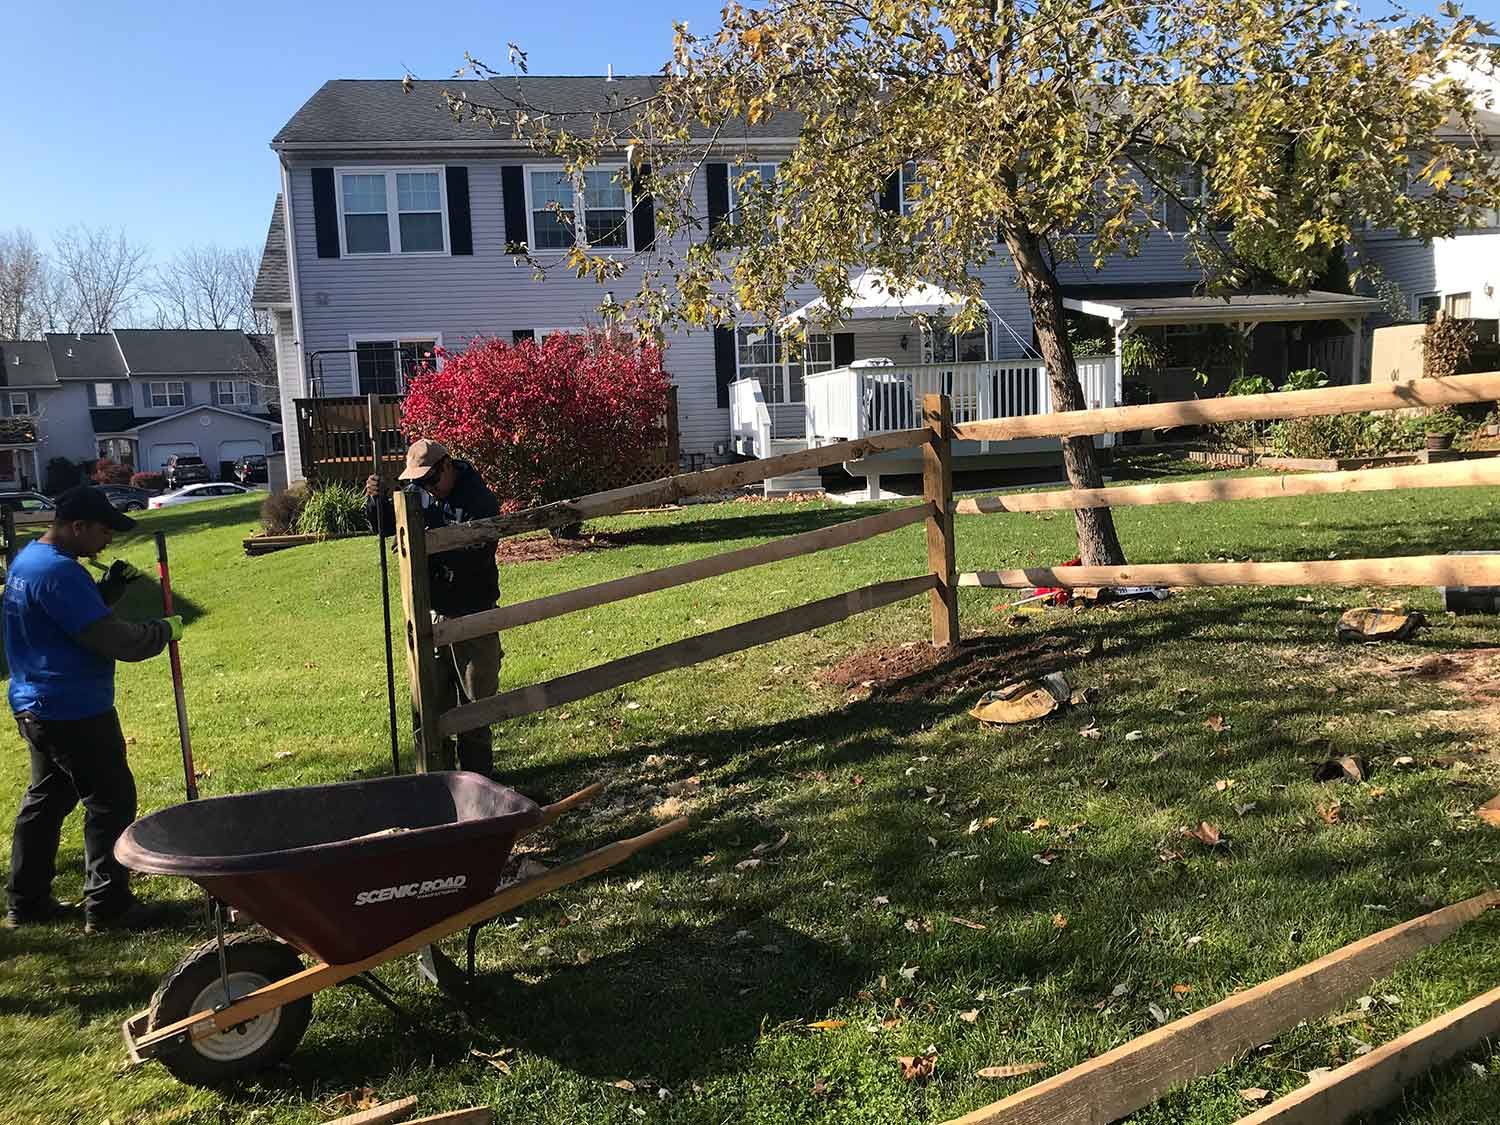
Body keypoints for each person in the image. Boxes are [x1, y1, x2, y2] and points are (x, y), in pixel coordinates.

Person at [3, 486, 182, 932]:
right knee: (110, 801)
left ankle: (26, 901)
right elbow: (115, 641)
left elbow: (62, 620)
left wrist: (104, 594)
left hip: (36, 704)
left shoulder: (29, 561)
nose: (106, 541)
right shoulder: (60, 573)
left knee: (46, 800)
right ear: (76, 526)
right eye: (102, 531)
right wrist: (162, 631)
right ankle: (108, 906)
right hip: (73, 709)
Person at [366, 440, 501, 775]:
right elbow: (386, 526)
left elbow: (472, 558)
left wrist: (427, 546)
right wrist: (377, 500)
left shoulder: (479, 501)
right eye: (418, 482)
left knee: (475, 707)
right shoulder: (420, 491)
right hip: (432, 616)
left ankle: (479, 782)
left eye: (429, 480)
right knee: (432, 707)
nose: (425, 488)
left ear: (447, 466)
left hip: (474, 615)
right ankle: (441, 783)